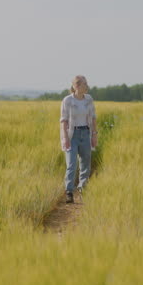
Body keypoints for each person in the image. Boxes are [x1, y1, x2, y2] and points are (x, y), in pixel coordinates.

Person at [59, 75, 98, 203]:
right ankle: (69, 192)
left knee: (86, 163)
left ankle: (82, 188)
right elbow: (63, 120)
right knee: (71, 164)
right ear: (76, 86)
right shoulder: (67, 100)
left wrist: (94, 134)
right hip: (72, 135)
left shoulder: (89, 99)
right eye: (84, 84)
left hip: (86, 133)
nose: (87, 86)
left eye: (86, 83)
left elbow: (93, 117)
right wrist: (65, 137)